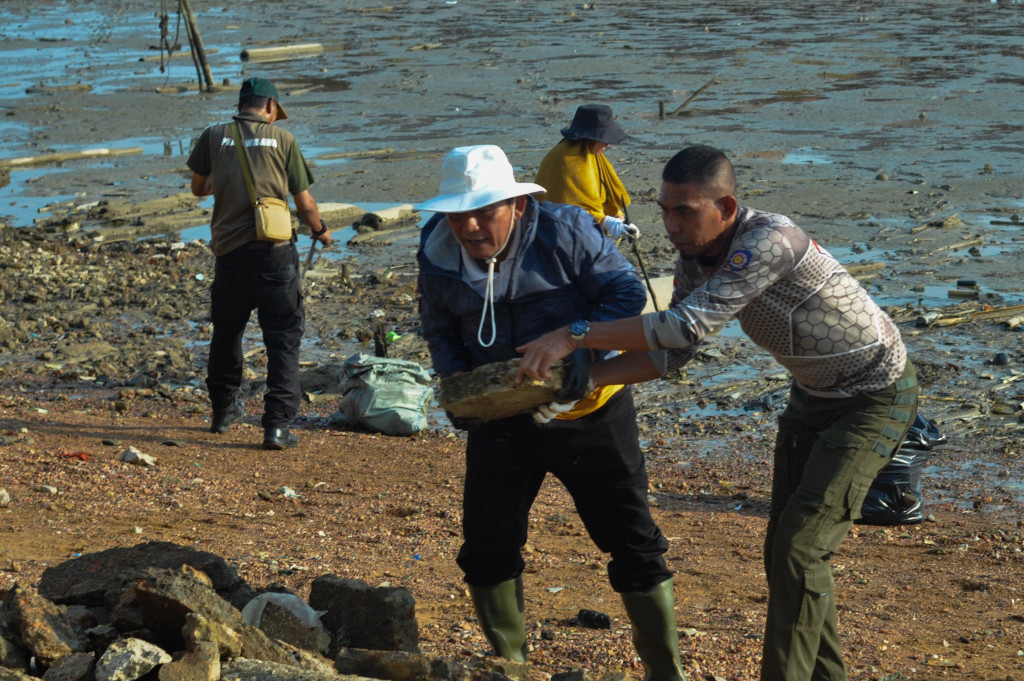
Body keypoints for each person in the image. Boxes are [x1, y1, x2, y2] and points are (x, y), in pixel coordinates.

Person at [517, 144, 919, 681]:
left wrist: (575, 335)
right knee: (785, 550)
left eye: (685, 210)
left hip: (874, 395)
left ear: (726, 208)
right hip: (812, 399)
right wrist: (587, 380)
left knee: (800, 550)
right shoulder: (695, 260)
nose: (671, 224)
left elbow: (684, 326)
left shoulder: (769, 241)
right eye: (663, 209)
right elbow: (673, 354)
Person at [416, 144, 687, 681]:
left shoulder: (565, 231)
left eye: (483, 212)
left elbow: (626, 293)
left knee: (633, 544)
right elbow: (440, 326)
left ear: (516, 207)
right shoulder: (436, 248)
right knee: (487, 546)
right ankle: (511, 667)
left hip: (589, 410)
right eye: (457, 214)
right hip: (502, 417)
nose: (468, 226)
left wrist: (579, 349)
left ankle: (665, 672)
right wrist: (457, 387)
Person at [186, 77, 333, 450]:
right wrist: (321, 231)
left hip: (230, 255)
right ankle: (277, 427)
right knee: (283, 338)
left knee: (227, 333)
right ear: (270, 107)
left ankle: (222, 413)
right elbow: (305, 203)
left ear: (241, 104)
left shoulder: (214, 135)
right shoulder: (282, 140)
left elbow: (198, 188)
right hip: (274, 254)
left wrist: (228, 178)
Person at [534, 104, 639, 240]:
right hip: (558, 237)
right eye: (605, 140)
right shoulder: (567, 161)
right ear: (590, 138)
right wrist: (606, 222)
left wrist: (617, 217)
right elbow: (567, 212)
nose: (608, 145)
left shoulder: (592, 156)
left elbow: (597, 198)